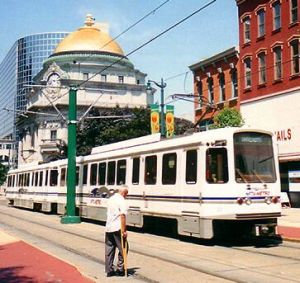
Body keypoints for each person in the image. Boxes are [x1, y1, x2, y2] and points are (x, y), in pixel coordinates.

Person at [105, 185, 128, 277]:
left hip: (108, 227)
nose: (126, 196)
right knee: (124, 248)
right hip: (117, 228)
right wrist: (124, 230)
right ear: (124, 193)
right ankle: (120, 269)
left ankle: (109, 270)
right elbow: (122, 216)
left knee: (109, 249)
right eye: (126, 194)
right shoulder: (122, 201)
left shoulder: (111, 199)